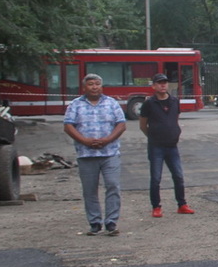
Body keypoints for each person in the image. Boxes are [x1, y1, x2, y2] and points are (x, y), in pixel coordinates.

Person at [64, 74, 127, 235]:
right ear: (84, 87)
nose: (94, 87)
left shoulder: (111, 103)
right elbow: (68, 126)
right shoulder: (75, 105)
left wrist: (107, 140)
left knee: (112, 185)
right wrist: (84, 141)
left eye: (97, 84)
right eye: (91, 84)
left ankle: (111, 222)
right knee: (89, 190)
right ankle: (95, 222)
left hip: (110, 153)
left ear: (101, 86)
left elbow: (121, 124)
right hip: (86, 154)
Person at [139, 73, 195, 218]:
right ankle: (156, 206)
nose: (163, 85)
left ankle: (182, 204)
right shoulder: (149, 103)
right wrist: (153, 136)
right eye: (159, 83)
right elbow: (143, 125)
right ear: (154, 86)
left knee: (178, 175)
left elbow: (175, 119)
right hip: (156, 146)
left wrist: (173, 133)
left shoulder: (174, 101)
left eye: (165, 82)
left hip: (172, 146)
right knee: (156, 178)